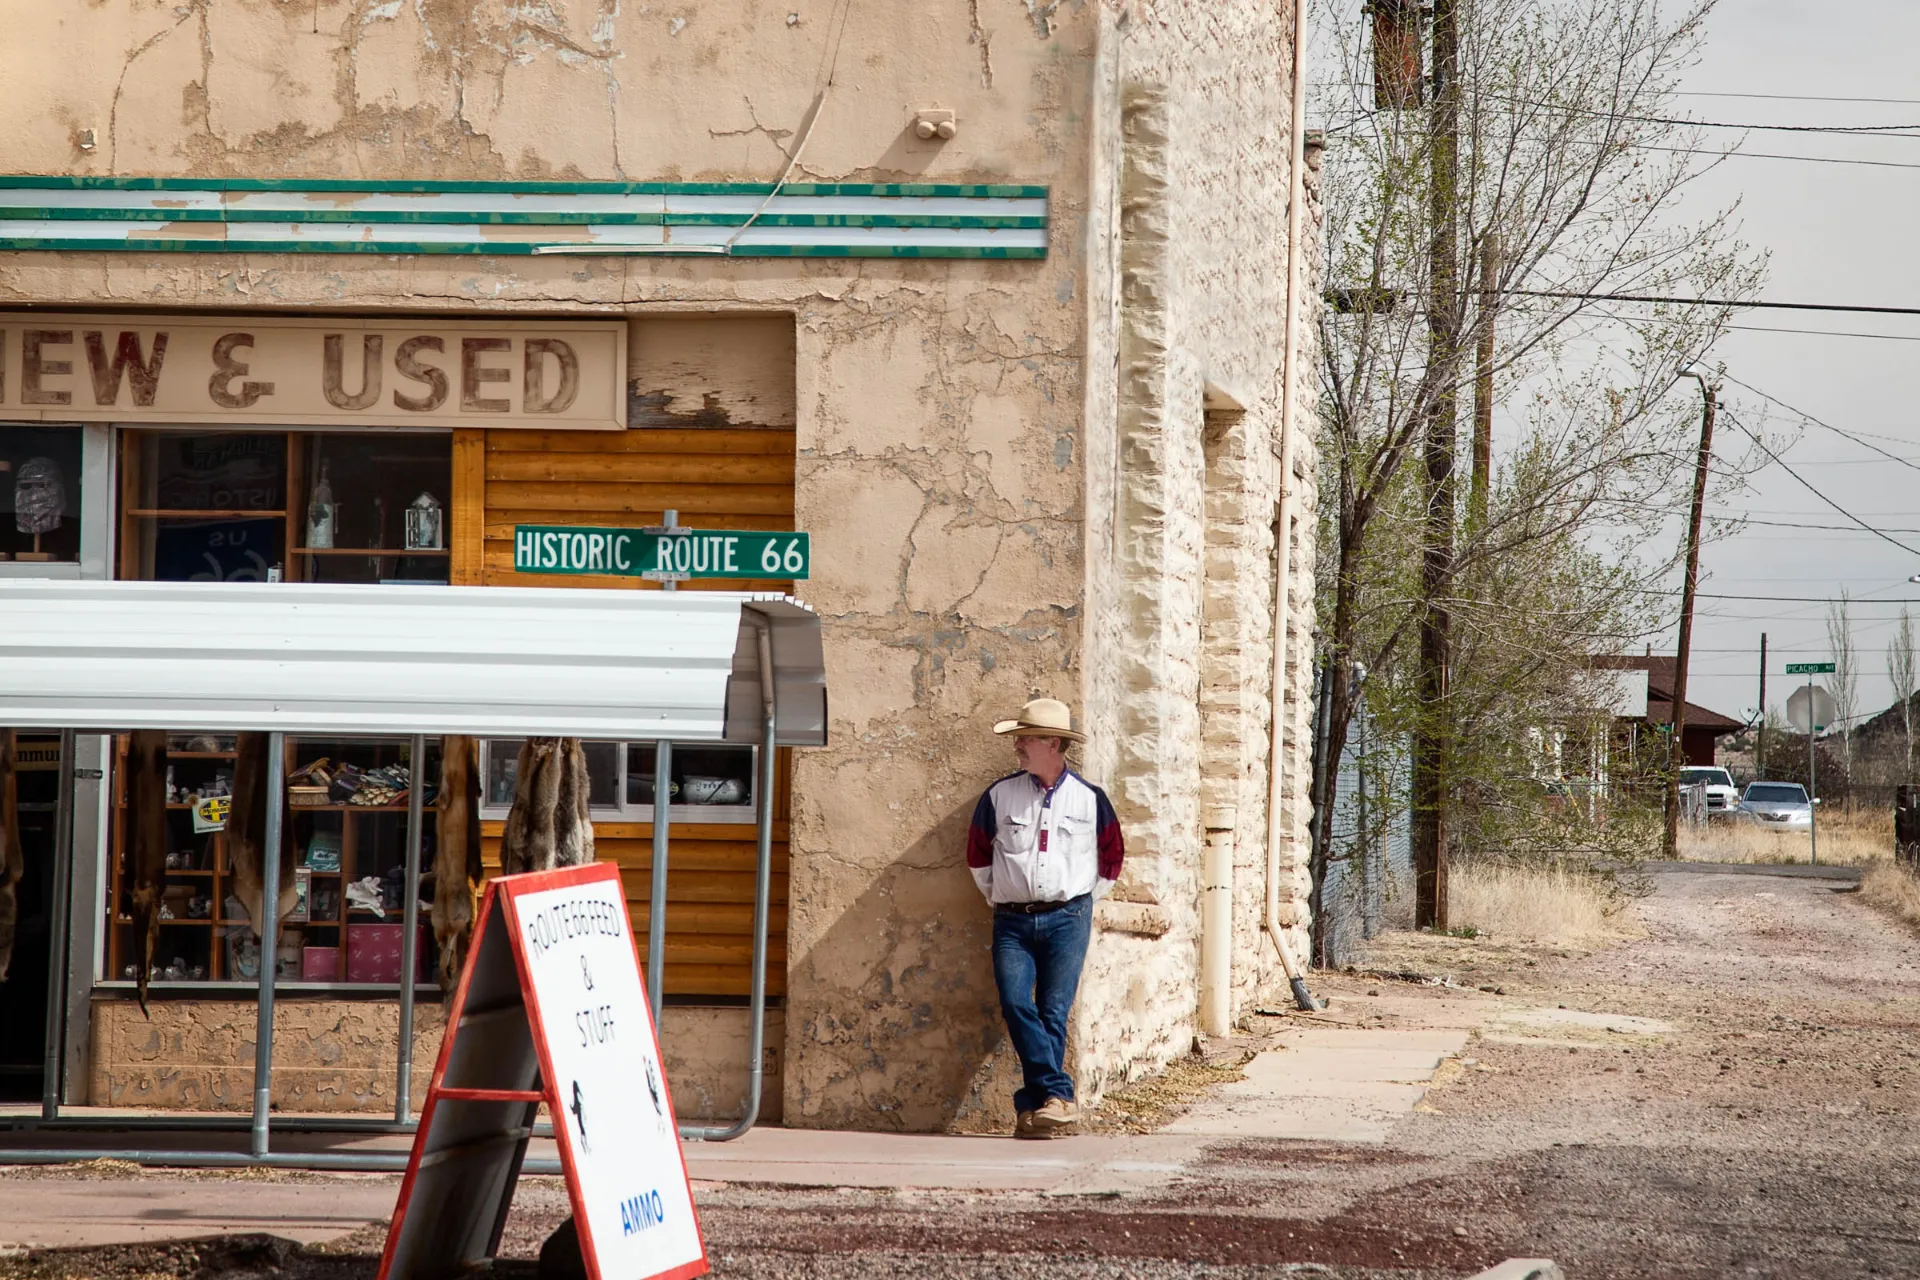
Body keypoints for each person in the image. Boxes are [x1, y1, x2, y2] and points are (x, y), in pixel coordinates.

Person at [966, 697, 1124, 1138]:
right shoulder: (1000, 795)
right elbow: (978, 856)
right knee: (1017, 1003)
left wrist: (1078, 902)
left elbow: (1111, 860)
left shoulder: (1091, 799)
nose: (1017, 746)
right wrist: (1003, 896)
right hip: (1012, 921)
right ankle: (1057, 1095)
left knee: (1054, 1012)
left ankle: (1033, 1112)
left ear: (1053, 744)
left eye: (1026, 738)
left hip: (1068, 918)